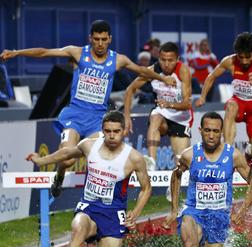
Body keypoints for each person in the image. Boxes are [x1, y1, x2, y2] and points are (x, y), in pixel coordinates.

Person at [0, 20, 174, 197]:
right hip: (74, 115)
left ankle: (99, 196)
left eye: (104, 39)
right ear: (90, 38)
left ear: (110, 39)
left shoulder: (118, 60)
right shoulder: (77, 53)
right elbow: (45, 52)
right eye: (96, 39)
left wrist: (163, 79)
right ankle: (59, 175)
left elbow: (141, 70)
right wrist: (16, 53)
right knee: (67, 160)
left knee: (100, 152)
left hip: (97, 120)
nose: (100, 44)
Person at [26, 111, 151, 247]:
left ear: (123, 132)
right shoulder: (89, 145)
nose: (111, 136)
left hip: (112, 215)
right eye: (107, 131)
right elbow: (67, 153)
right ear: (102, 130)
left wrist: (135, 212)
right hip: (90, 208)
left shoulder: (133, 158)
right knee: (78, 227)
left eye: (116, 132)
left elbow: (146, 188)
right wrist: (40, 160)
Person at [162, 111, 252, 247]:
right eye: (208, 130)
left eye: (216, 131)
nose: (212, 135)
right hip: (193, 212)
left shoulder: (233, 156)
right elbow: (176, 176)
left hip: (219, 217)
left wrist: (242, 211)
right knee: (189, 245)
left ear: (221, 132)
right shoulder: (189, 154)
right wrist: (174, 209)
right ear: (200, 131)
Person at [195, 32, 252, 160]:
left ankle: (248, 152)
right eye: (241, 57)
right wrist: (203, 96)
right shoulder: (229, 61)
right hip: (238, 105)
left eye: (248, 57)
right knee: (230, 104)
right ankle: (228, 153)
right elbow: (211, 77)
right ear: (236, 53)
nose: (244, 61)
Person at [124, 42, 193, 171]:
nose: (166, 64)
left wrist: (170, 104)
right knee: (155, 116)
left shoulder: (183, 71)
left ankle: (172, 189)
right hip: (162, 114)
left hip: (180, 118)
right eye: (163, 60)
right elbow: (129, 90)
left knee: (181, 163)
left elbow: (188, 104)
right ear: (158, 58)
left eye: (170, 60)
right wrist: (127, 116)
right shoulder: (152, 71)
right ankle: (151, 162)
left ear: (177, 59)